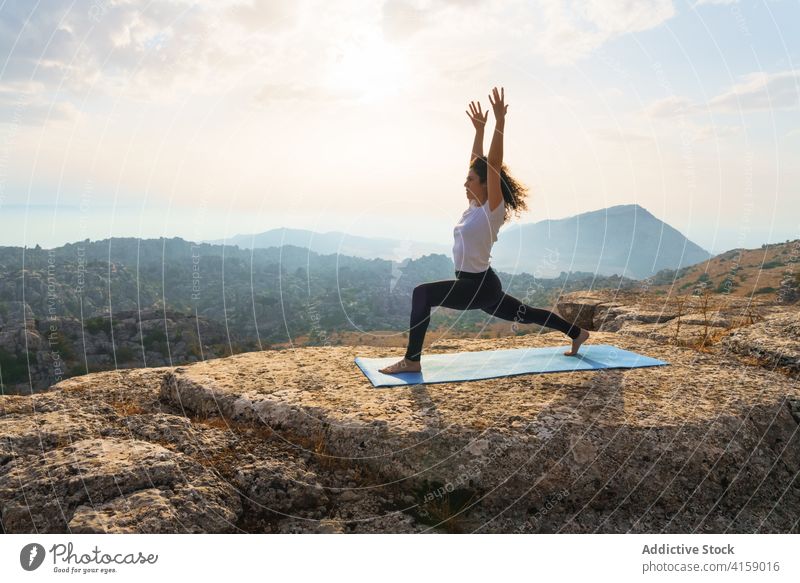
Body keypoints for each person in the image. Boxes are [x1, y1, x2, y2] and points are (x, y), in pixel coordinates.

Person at [379, 87, 589, 375]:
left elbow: (490, 166)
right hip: (482, 286)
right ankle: (577, 333)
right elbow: (478, 163)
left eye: (470, 179)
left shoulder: (492, 210)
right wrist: (478, 130)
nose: (465, 183)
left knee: (422, 294)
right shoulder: (473, 207)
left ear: (485, 184)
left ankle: (412, 360)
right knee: (526, 314)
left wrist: (500, 123)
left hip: (476, 286)